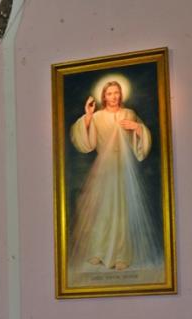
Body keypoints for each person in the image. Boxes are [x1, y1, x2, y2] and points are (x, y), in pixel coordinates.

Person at [69, 79, 161, 274]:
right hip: (104, 169)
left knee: (122, 209)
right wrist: (88, 115)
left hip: (124, 168)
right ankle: (99, 250)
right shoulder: (97, 116)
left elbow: (142, 141)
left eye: (116, 92)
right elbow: (87, 143)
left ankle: (120, 254)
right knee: (103, 209)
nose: (113, 97)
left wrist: (137, 128)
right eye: (109, 93)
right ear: (104, 96)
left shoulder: (129, 114)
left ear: (121, 94)